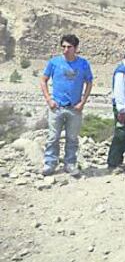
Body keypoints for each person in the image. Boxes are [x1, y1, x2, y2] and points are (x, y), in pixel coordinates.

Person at [40, 34, 93, 176]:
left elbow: (89, 82)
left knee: (72, 138)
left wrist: (83, 102)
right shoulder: (54, 62)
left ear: (75, 48)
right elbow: (43, 80)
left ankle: (70, 163)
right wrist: (49, 99)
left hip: (74, 108)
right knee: (53, 137)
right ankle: (50, 163)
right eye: (63, 46)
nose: (65, 49)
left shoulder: (83, 64)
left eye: (69, 47)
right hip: (56, 107)